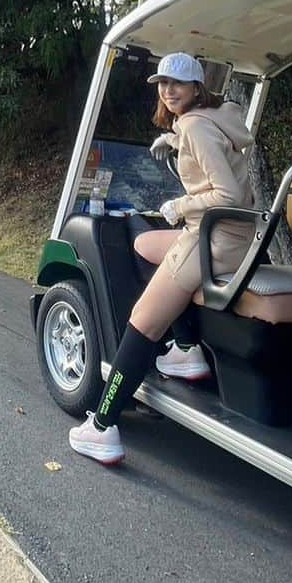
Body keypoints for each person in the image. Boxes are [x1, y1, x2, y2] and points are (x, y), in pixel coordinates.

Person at [69, 52, 255, 464]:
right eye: (162, 84)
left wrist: (180, 205)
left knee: (143, 323)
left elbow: (227, 195)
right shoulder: (216, 117)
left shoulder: (194, 127)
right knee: (145, 246)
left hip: (210, 239)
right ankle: (187, 347)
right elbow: (210, 148)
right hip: (233, 239)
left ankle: (102, 427)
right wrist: (171, 141)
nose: (168, 91)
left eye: (177, 84)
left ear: (196, 88)